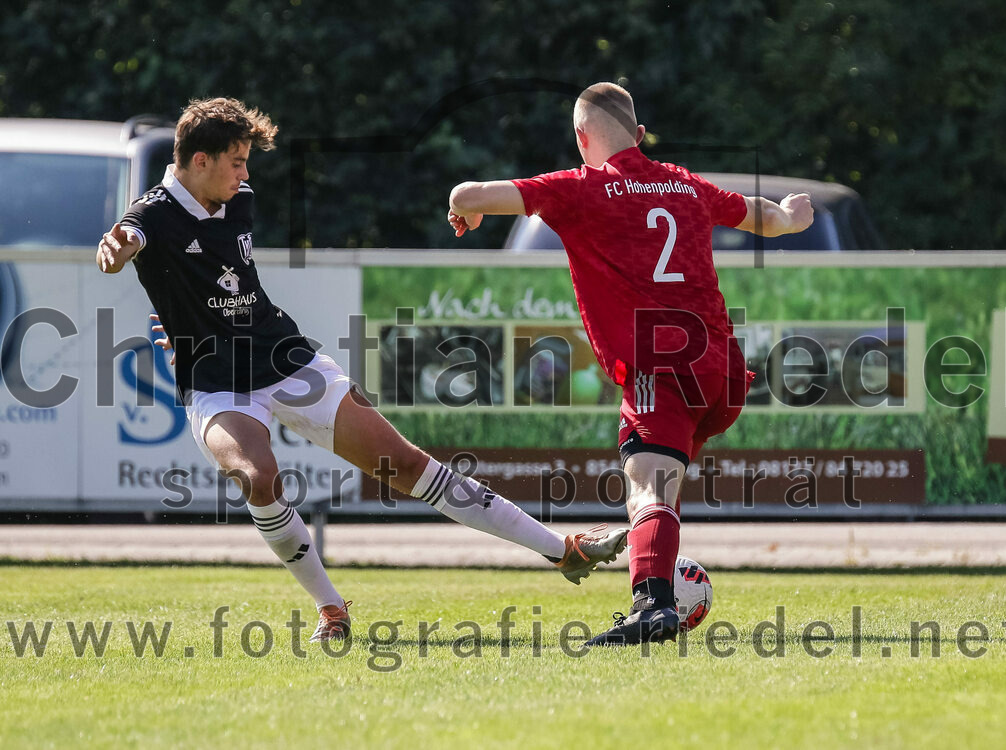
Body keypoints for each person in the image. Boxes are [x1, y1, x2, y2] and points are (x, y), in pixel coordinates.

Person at [96, 97, 628, 643]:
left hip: (285, 359)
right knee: (257, 477)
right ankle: (332, 609)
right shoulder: (152, 212)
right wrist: (118, 249)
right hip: (214, 383)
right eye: (236, 160)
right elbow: (127, 239)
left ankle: (563, 550)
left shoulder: (240, 197)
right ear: (199, 161)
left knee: (404, 464)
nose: (246, 173)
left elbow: (216, 285)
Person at [447, 82, 813, 646]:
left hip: (660, 370)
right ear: (639, 136)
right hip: (720, 372)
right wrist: (791, 216)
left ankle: (652, 606)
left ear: (580, 138)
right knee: (657, 485)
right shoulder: (684, 183)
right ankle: (660, 579)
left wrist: (460, 209)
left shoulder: (579, 188)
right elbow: (762, 216)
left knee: (647, 488)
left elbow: (470, 193)